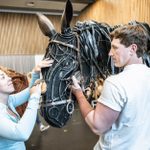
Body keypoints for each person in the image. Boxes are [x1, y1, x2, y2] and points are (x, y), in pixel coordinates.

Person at [70, 24, 150, 150]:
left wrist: (79, 94)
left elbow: (97, 126)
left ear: (133, 49)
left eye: (115, 48)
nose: (110, 53)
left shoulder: (116, 83)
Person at [0, 58, 53, 150]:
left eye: (7, 76)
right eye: (2, 77)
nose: (9, 78)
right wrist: (35, 97)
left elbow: (29, 91)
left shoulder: (9, 101)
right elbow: (21, 133)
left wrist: (36, 72)